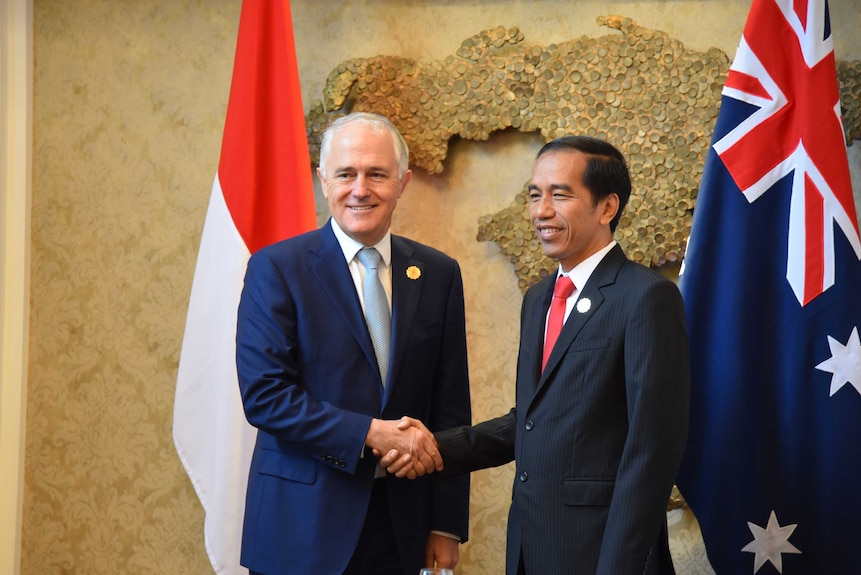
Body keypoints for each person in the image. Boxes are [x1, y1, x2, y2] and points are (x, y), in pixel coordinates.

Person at [383, 135, 690, 575]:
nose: (541, 211)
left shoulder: (646, 298)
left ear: (607, 207)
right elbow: (531, 420)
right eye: (534, 195)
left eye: (560, 195)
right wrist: (434, 447)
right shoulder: (540, 298)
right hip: (532, 547)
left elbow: (653, 449)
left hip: (603, 554)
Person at [236, 112, 471, 575]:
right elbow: (266, 397)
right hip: (302, 525)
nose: (360, 189)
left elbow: (450, 409)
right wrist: (370, 433)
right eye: (346, 174)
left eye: (376, 174)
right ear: (324, 181)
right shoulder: (278, 269)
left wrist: (445, 524)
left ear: (401, 183)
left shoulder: (439, 273)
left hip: (402, 528)